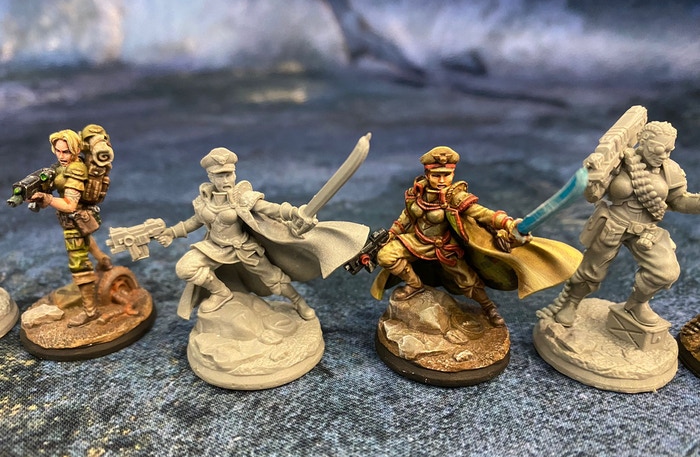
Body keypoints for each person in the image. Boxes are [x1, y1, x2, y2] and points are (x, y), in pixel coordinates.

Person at [157, 147, 344, 321]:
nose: (226, 180)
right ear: (210, 176)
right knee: (185, 268)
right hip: (213, 248)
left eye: (229, 174)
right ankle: (221, 293)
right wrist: (171, 232)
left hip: (242, 248)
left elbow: (270, 209)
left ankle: (298, 302)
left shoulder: (242, 197)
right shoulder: (204, 200)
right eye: (220, 176)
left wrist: (294, 212)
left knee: (273, 279)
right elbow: (194, 221)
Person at [553, 120, 700, 327]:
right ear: (643, 140)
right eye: (659, 149)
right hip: (613, 224)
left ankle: (636, 305)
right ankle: (571, 303)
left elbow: (678, 201)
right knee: (591, 270)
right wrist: (590, 175)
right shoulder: (619, 162)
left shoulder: (669, 170)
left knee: (665, 272)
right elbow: (593, 196)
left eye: (670, 150)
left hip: (646, 231)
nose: (664, 155)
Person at [373, 146, 531, 326]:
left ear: (453, 174)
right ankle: (415, 285)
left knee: (468, 282)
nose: (441, 180)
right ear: (427, 174)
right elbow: (406, 217)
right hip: (416, 240)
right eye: (436, 175)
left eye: (446, 175)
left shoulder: (455, 197)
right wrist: (393, 232)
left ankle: (489, 308)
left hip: (445, 246)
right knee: (385, 256)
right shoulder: (416, 194)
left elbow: (482, 213)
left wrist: (508, 223)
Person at [30, 129, 112, 327]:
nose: (61, 155)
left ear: (75, 150)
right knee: (85, 241)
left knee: (79, 265)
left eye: (66, 151)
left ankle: (90, 311)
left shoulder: (76, 170)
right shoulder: (61, 167)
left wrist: (48, 199)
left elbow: (70, 205)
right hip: (73, 222)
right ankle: (103, 259)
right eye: (58, 151)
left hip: (76, 219)